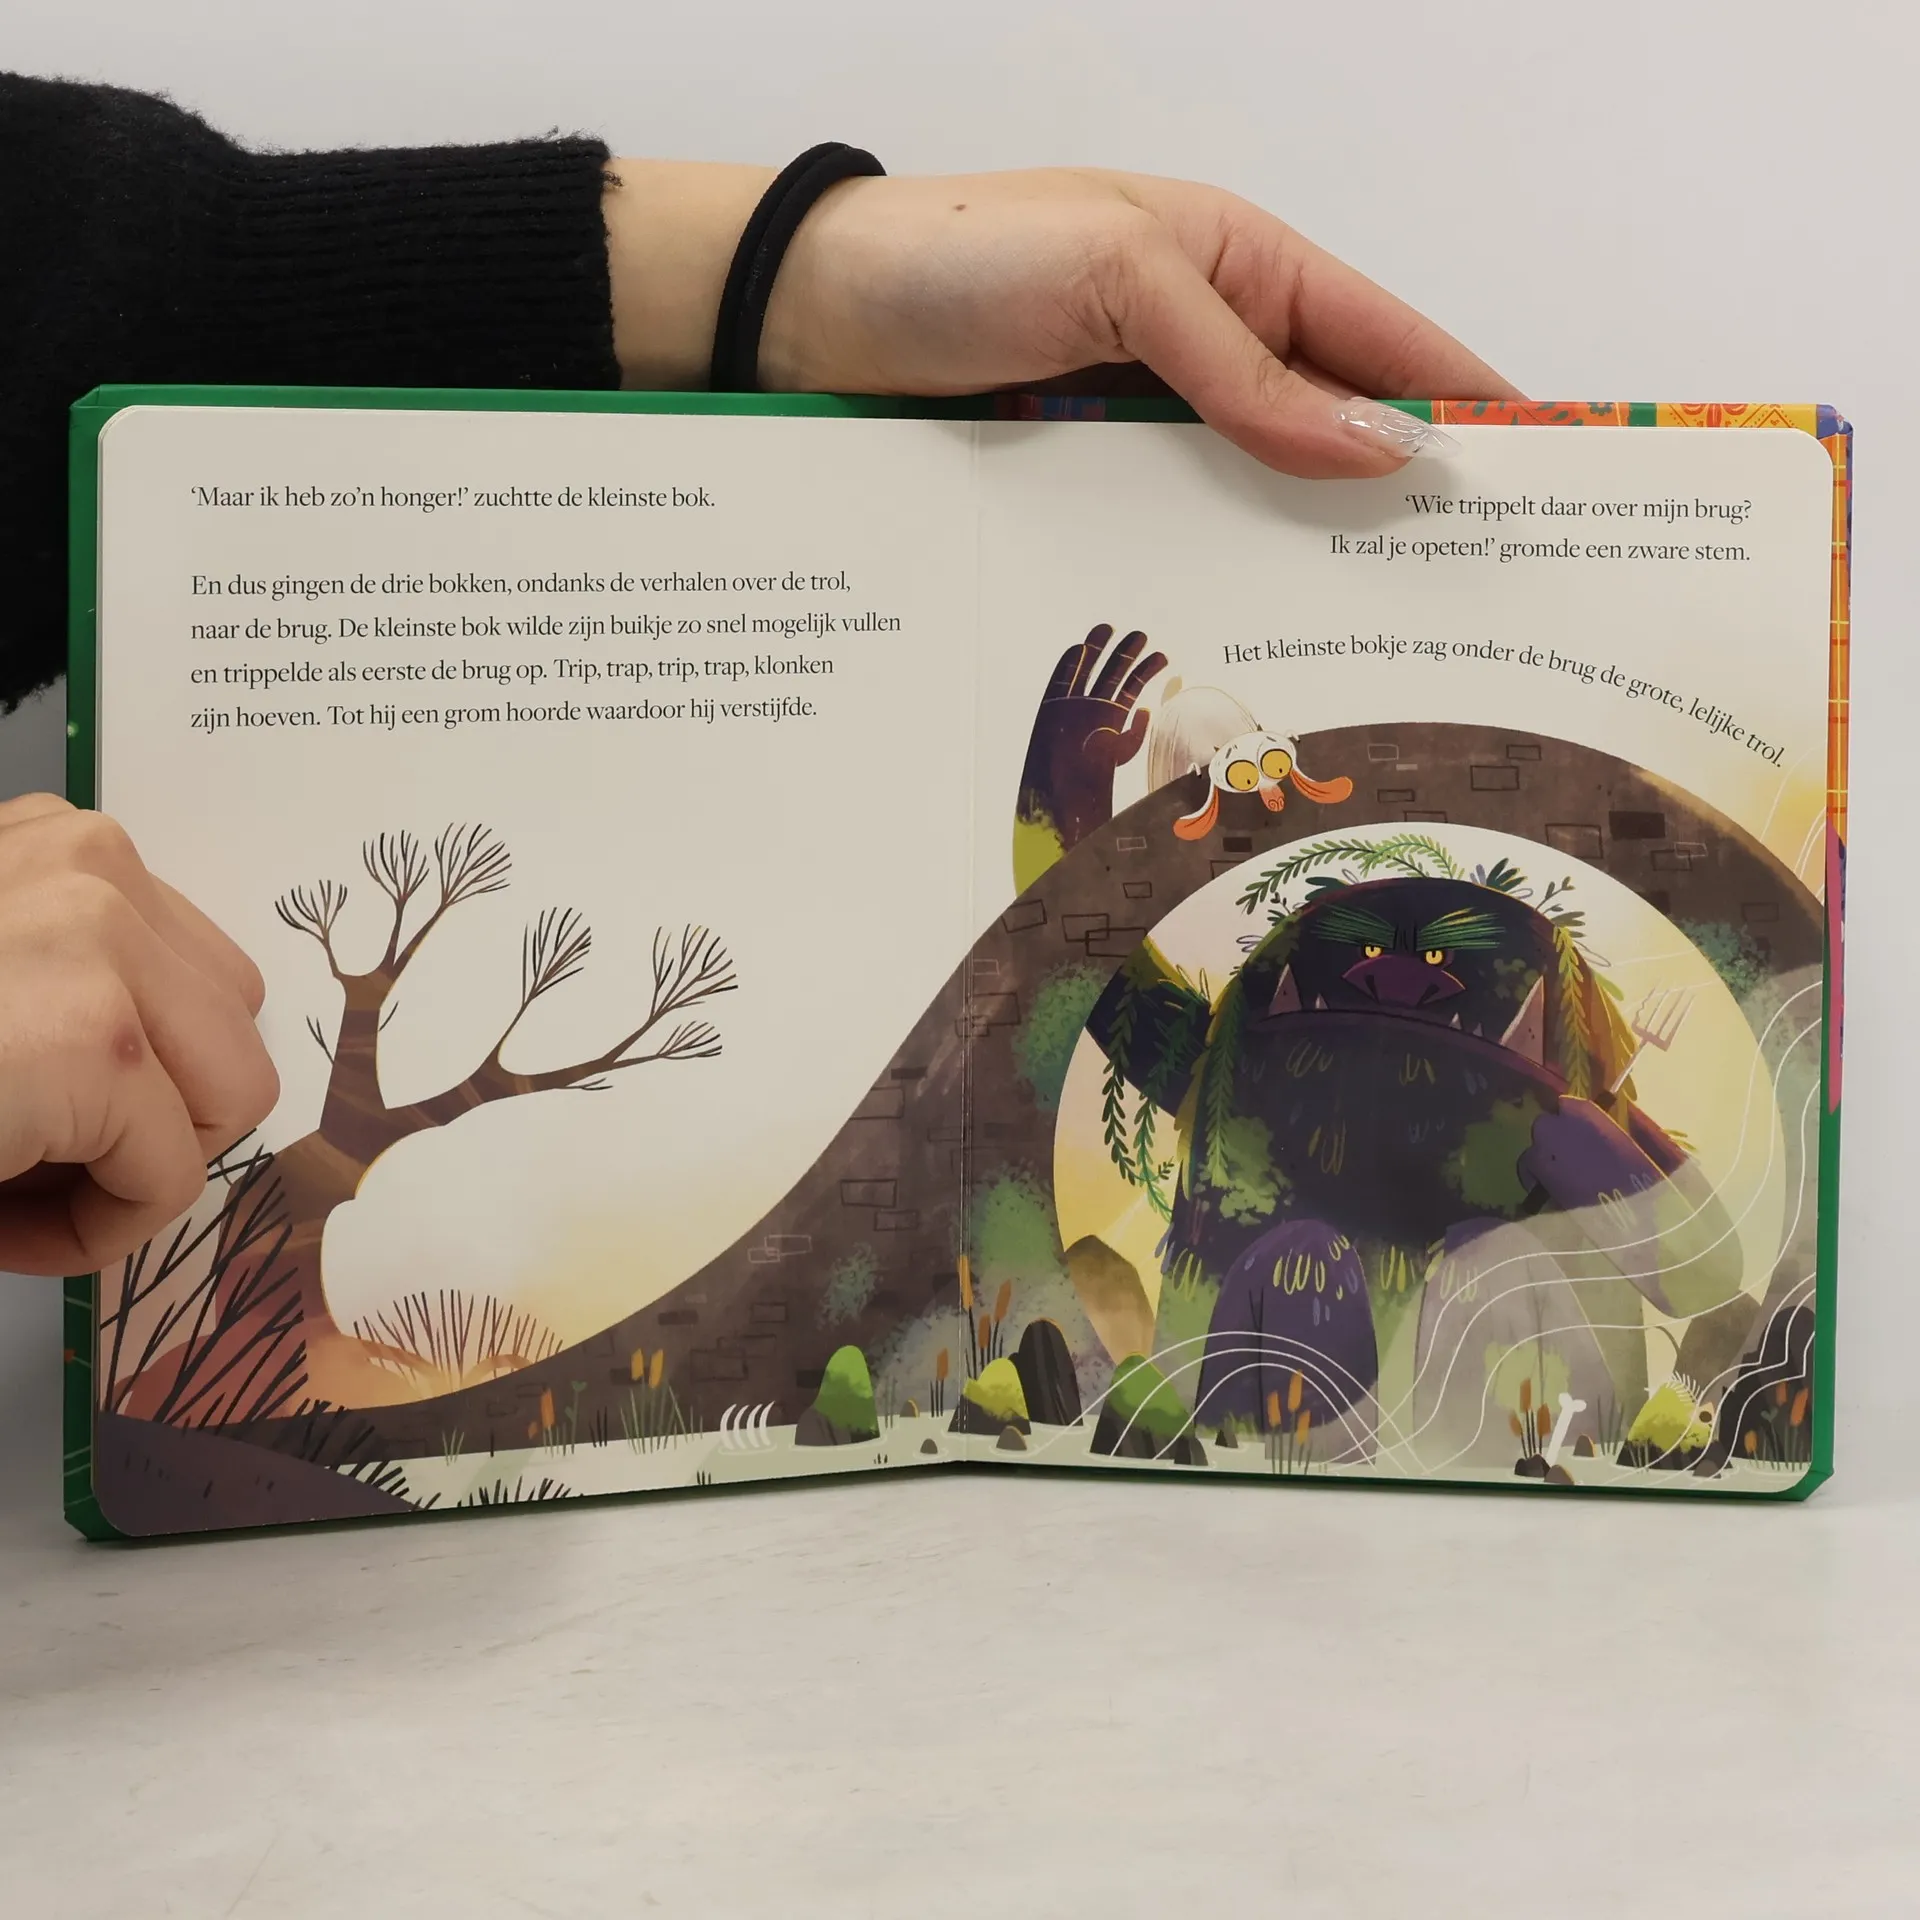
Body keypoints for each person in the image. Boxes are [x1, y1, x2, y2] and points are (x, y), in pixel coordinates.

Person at [0, 70, 1520, 1277]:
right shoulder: (1243, 1063)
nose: (1402, 986)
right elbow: (1078, 978)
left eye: (1443, 969)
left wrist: (792, 276)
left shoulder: (1514, 1113)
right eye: (1378, 949)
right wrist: (1058, 810)